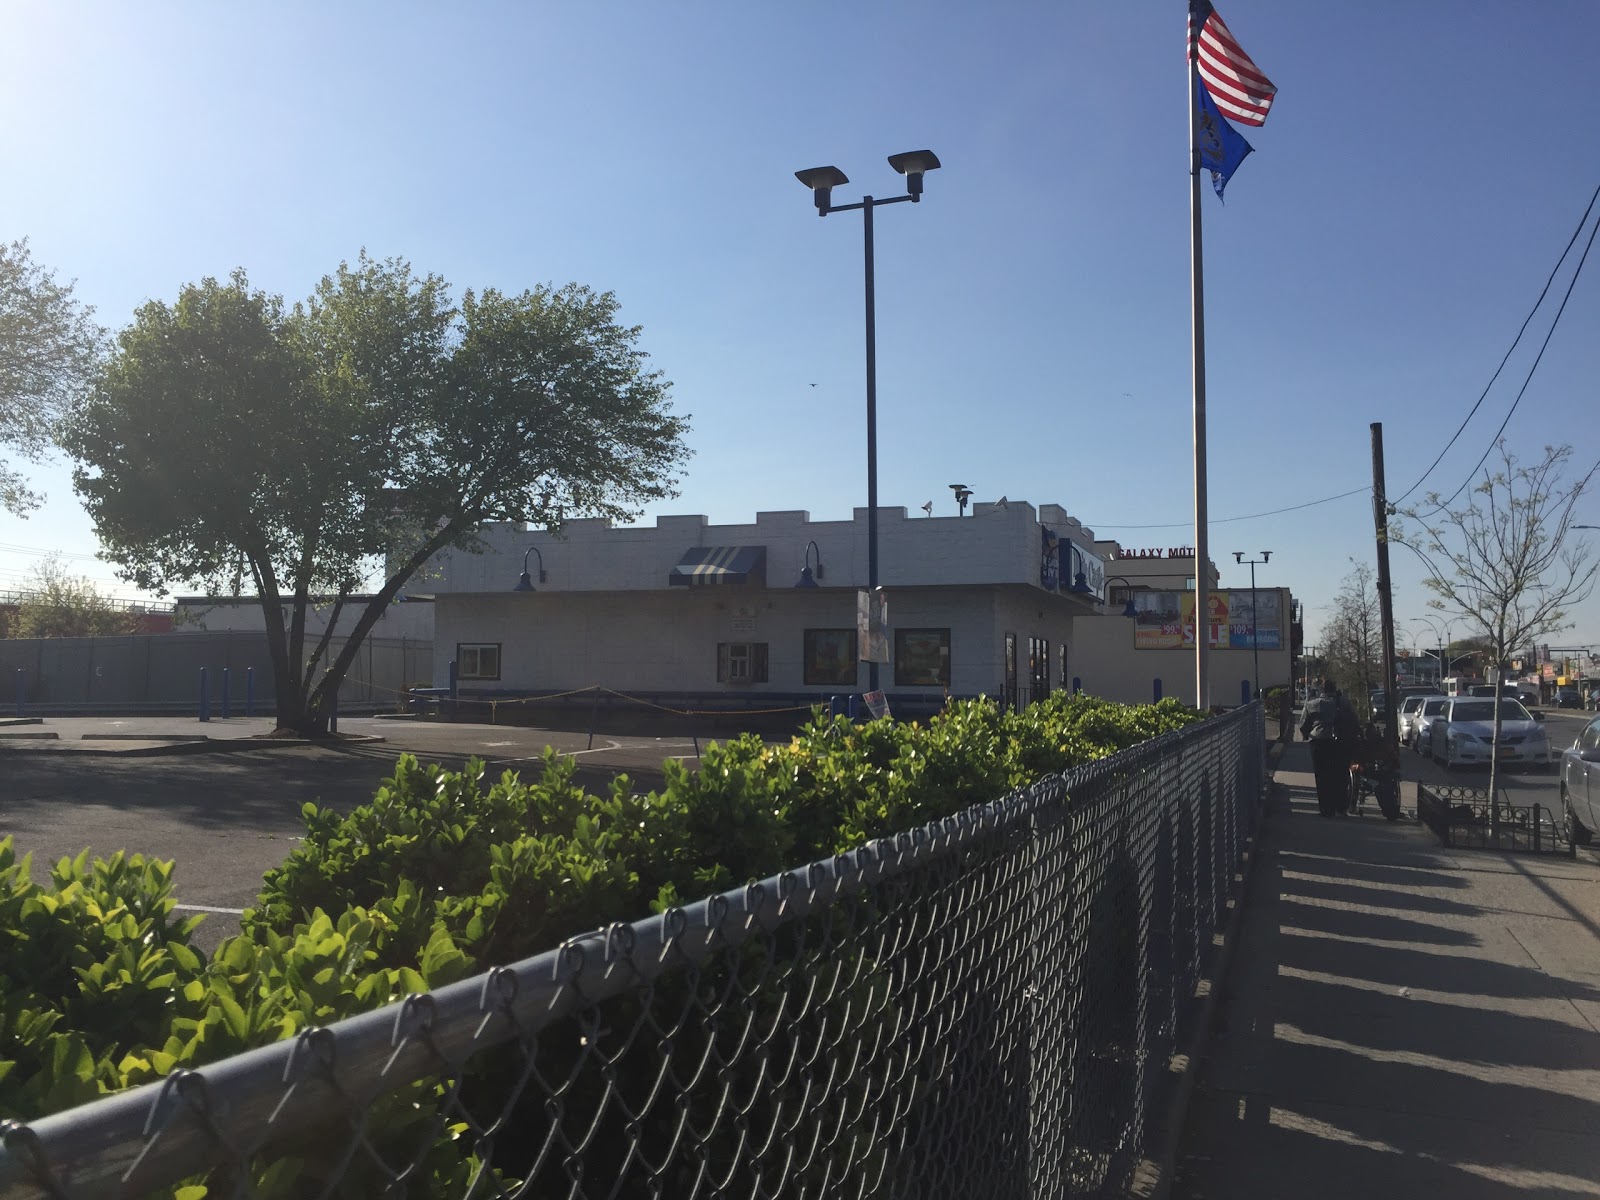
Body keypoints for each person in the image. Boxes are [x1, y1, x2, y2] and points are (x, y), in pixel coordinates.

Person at [1300, 678, 1358, 817]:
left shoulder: (1312, 704)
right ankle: (1340, 806)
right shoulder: (1344, 703)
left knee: (1322, 776)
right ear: (1335, 689)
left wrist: (1307, 734)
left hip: (1319, 742)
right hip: (1341, 742)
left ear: (1321, 690)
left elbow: (1304, 725)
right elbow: (1354, 721)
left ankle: (1325, 808)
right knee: (1340, 775)